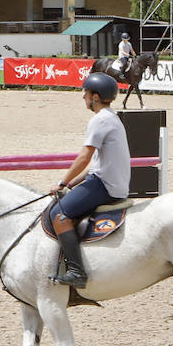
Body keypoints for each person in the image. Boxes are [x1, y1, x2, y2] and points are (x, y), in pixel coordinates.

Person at [48, 71, 130, 288]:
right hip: (108, 180)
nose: (83, 96)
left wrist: (63, 182)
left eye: (85, 93)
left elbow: (84, 157)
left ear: (95, 97)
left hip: (105, 185)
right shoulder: (112, 118)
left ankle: (77, 271)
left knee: (59, 214)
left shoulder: (99, 120)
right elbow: (95, 164)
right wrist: (74, 183)